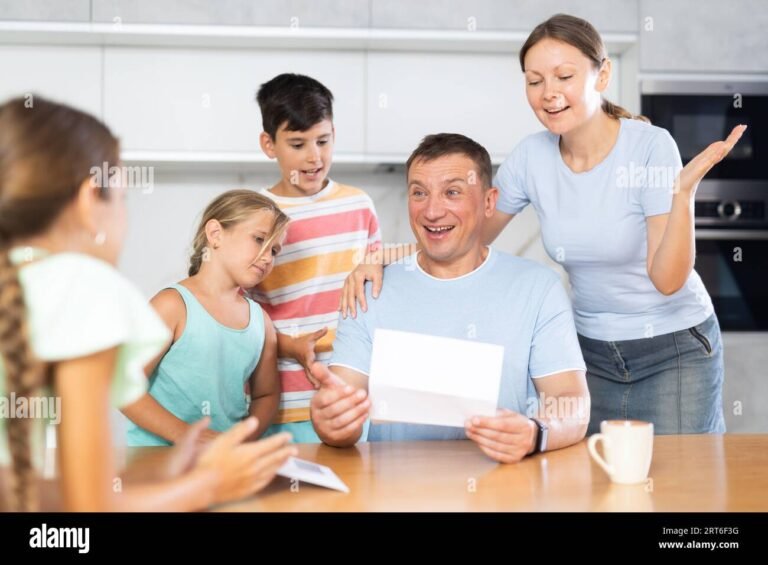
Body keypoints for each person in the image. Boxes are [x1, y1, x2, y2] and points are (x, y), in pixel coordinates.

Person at [340, 14, 745, 435]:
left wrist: (682, 195)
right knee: (596, 488)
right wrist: (384, 260)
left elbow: (667, 280)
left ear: (601, 74)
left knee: (679, 486)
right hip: (589, 353)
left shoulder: (649, 147)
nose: (548, 94)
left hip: (672, 348)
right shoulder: (532, 157)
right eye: (535, 81)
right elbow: (464, 236)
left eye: (563, 76)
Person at [0, 96, 296, 511]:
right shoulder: (81, 289)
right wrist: (210, 485)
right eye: (123, 198)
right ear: (90, 203)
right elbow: (88, 519)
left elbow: (33, 499)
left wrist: (161, 473)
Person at [310, 133, 590, 463]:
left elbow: (570, 401)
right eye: (419, 193)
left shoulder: (537, 288)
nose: (432, 211)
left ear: (489, 202)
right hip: (394, 494)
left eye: (452, 192)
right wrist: (332, 422)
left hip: (504, 492)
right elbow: (343, 407)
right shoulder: (369, 289)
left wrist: (536, 432)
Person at [249, 73, 381, 443]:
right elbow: (241, 313)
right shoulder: (257, 215)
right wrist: (288, 346)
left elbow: (374, 290)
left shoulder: (359, 206)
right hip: (281, 399)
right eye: (297, 143)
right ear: (268, 144)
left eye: (323, 141)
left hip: (350, 396)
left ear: (334, 135)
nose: (314, 156)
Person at [122, 190, 288, 446]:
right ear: (215, 234)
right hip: (155, 461)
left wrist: (244, 438)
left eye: (275, 250)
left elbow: (266, 394)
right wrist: (185, 435)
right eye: (259, 240)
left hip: (220, 465)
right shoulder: (172, 305)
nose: (267, 258)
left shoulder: (261, 322)